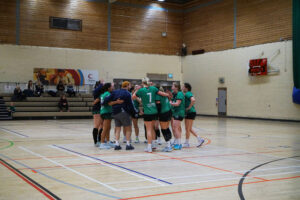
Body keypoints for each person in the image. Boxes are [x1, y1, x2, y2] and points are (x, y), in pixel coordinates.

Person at [132, 78, 169, 153]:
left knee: (148, 129)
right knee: (153, 128)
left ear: (142, 83)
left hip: (147, 112)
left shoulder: (141, 90)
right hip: (154, 111)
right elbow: (163, 94)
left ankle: (149, 147)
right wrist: (168, 94)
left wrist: (136, 90)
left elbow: (133, 97)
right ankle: (154, 144)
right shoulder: (154, 88)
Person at [103, 81, 136, 151]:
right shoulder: (127, 93)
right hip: (124, 112)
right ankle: (128, 144)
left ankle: (117, 144)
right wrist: (134, 112)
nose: (130, 86)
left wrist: (114, 102)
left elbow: (105, 100)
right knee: (128, 128)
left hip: (115, 113)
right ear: (127, 85)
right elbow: (130, 105)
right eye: (129, 85)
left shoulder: (115, 92)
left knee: (117, 129)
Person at [182, 83, 205, 148]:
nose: (182, 88)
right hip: (190, 112)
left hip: (190, 112)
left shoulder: (188, 93)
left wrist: (189, 107)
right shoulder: (187, 93)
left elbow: (193, 100)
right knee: (188, 128)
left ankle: (187, 142)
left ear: (186, 88)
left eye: (183, 86)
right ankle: (199, 139)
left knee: (188, 128)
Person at [156, 86, 173, 152]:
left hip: (163, 113)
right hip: (169, 112)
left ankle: (168, 146)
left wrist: (157, 115)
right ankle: (170, 143)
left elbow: (158, 106)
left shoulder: (158, 96)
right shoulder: (165, 95)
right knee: (167, 128)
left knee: (164, 129)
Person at [170, 83, 185, 150]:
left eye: (173, 86)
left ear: (176, 87)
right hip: (175, 112)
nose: (171, 87)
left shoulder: (180, 94)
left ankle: (179, 144)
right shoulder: (174, 94)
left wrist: (170, 103)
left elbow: (177, 104)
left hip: (179, 113)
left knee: (176, 128)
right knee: (174, 127)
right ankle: (176, 142)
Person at [99, 83, 114, 149]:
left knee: (108, 128)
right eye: (111, 87)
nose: (112, 88)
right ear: (108, 88)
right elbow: (109, 103)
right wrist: (117, 102)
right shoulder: (108, 94)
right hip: (106, 112)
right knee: (105, 128)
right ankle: (102, 143)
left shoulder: (102, 94)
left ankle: (108, 141)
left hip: (103, 112)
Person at [92, 81, 104, 147]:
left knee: (102, 125)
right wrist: (101, 84)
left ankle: (100, 139)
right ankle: (96, 141)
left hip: (101, 109)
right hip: (97, 109)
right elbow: (96, 100)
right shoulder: (96, 91)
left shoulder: (100, 93)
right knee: (97, 125)